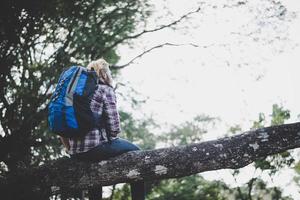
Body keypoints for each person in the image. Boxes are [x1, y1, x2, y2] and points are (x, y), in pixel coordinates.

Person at [60, 58, 145, 200]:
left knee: (95, 175)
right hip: (95, 149)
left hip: (76, 152)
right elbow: (114, 126)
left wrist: (71, 149)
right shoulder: (105, 90)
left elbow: (62, 128)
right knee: (138, 154)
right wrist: (110, 137)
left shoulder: (75, 94)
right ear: (105, 74)